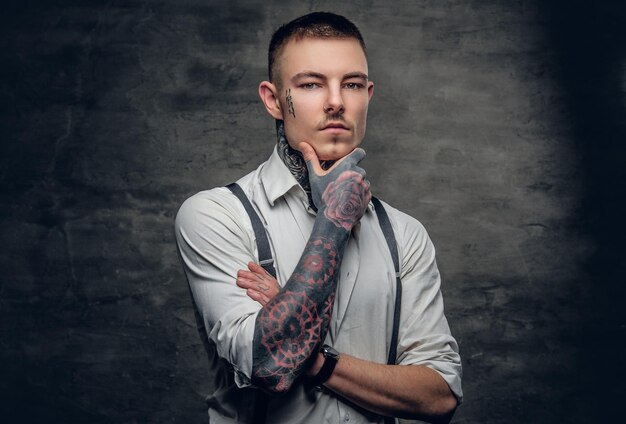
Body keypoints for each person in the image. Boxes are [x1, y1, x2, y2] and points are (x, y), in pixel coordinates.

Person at [175, 12, 462, 424]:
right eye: (310, 84)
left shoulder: (405, 234)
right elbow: (268, 362)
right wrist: (335, 220)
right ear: (274, 99)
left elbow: (439, 397)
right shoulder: (217, 215)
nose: (336, 101)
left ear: (368, 95)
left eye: (352, 84)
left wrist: (300, 339)